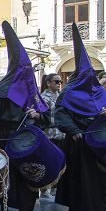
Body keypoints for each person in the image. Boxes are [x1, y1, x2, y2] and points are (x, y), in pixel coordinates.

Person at [0, 21, 51, 211]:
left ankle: (27, 209)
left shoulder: (32, 91)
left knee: (29, 175)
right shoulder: (3, 89)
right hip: (9, 139)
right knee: (10, 179)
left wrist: (38, 115)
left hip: (30, 140)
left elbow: (47, 117)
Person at [54, 25, 106, 211]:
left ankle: (100, 207)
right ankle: (79, 208)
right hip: (79, 142)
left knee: (100, 176)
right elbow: (61, 114)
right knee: (80, 177)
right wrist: (73, 130)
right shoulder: (68, 92)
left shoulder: (98, 91)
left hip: (99, 141)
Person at [39, 73, 65, 202]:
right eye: (56, 81)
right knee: (48, 162)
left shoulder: (60, 96)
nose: (59, 83)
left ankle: (55, 187)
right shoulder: (44, 97)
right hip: (49, 135)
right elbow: (45, 118)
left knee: (59, 162)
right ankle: (44, 190)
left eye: (60, 81)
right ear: (49, 83)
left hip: (60, 134)